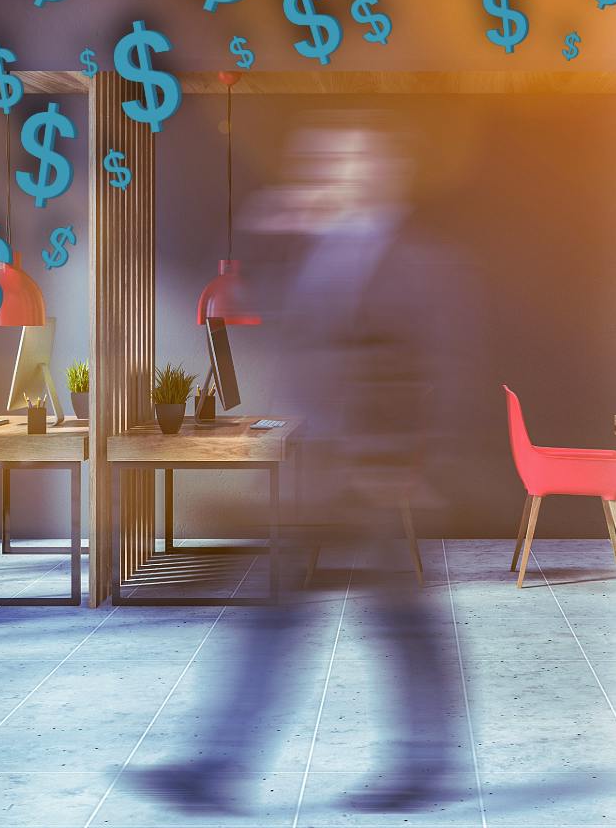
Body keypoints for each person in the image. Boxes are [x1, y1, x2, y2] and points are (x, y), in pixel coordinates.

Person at [140, 110, 473, 814]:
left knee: (403, 624)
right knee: (277, 615)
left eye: (345, 162)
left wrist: (410, 464)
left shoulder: (417, 263)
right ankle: (221, 767)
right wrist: (269, 228)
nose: (327, 175)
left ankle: (427, 761)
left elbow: (440, 368)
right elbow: (279, 327)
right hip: (316, 470)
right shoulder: (318, 251)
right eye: (322, 163)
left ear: (382, 175)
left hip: (378, 476)